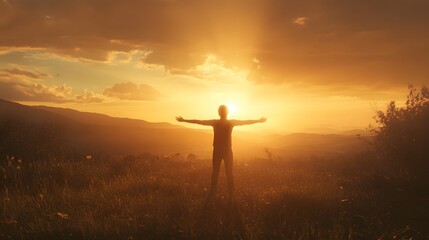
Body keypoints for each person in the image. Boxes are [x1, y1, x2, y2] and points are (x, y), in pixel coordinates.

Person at [176, 105, 266, 199]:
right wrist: (258, 121)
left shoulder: (215, 122)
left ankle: (213, 194)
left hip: (218, 150)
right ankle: (230, 195)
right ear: (227, 113)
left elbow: (199, 122)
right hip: (227, 150)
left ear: (219, 113)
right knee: (229, 173)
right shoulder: (230, 122)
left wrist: (184, 120)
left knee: (215, 173)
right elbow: (246, 122)